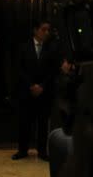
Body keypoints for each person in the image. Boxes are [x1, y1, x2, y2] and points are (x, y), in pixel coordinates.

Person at [12, 19, 60, 161]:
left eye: (48, 30)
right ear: (35, 30)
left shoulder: (50, 49)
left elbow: (52, 70)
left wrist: (42, 86)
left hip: (44, 91)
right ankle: (22, 150)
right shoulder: (24, 47)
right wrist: (31, 85)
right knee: (25, 121)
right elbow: (20, 69)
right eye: (43, 29)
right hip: (27, 90)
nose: (46, 33)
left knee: (43, 121)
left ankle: (42, 151)